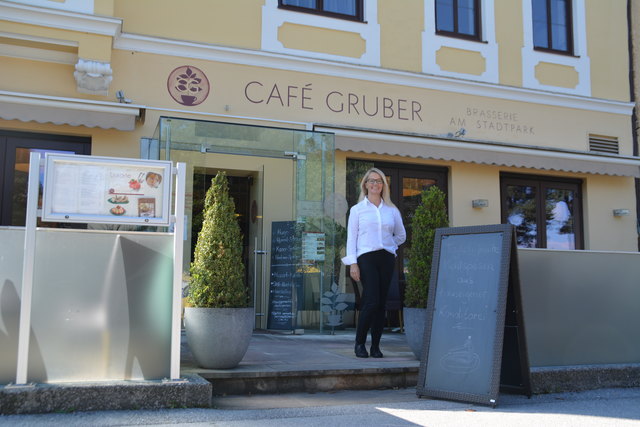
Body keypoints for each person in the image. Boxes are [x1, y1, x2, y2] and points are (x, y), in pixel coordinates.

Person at [342, 168, 406, 358]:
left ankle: (376, 346)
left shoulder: (391, 210)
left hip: (386, 258)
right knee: (371, 301)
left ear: (383, 185)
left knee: (381, 303)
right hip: (366, 258)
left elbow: (401, 235)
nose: (375, 184)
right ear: (365, 184)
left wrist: (389, 246)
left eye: (379, 181)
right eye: (372, 181)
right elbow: (351, 239)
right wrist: (353, 264)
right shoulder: (357, 210)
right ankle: (359, 343)